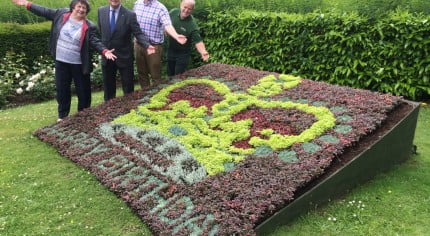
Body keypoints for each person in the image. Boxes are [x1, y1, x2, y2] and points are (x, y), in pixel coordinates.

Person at [12, 0, 117, 122]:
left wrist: (105, 51)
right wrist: (28, 4)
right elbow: (44, 11)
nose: (81, 9)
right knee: (62, 90)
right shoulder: (61, 14)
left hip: (78, 64)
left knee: (83, 92)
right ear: (73, 7)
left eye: (84, 8)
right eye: (79, 6)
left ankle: (83, 116)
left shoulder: (89, 26)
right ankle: (62, 116)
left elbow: (95, 41)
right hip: (61, 62)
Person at [97, 0, 155, 101]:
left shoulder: (130, 15)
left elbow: (138, 33)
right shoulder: (101, 11)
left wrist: (147, 45)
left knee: (128, 89)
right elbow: (101, 32)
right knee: (108, 89)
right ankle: (109, 112)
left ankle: (129, 110)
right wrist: (103, 50)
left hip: (124, 56)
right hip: (107, 55)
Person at [133, 0, 187, 88]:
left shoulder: (160, 8)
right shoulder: (137, 4)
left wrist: (176, 36)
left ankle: (156, 96)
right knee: (142, 74)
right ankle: (145, 95)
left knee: (155, 75)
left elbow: (167, 25)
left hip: (154, 47)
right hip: (138, 45)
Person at [167, 0, 209, 76]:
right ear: (180, 5)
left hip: (183, 53)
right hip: (171, 49)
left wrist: (203, 52)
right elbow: (165, 23)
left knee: (178, 76)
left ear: (192, 10)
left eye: (189, 9)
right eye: (185, 7)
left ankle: (179, 87)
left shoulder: (192, 25)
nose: (186, 10)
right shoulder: (173, 12)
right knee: (170, 74)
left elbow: (198, 41)